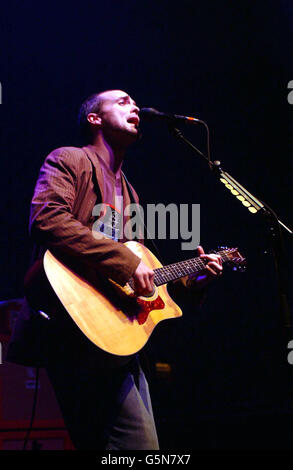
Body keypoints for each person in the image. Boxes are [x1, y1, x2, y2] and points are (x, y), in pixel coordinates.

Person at [6, 89, 223, 450]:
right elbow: (46, 218)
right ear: (95, 118)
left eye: (135, 102)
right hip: (76, 329)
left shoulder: (129, 192)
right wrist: (126, 262)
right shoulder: (69, 159)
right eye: (122, 101)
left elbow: (146, 274)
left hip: (114, 336)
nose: (135, 106)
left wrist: (191, 280)